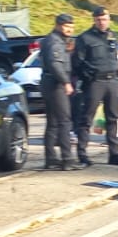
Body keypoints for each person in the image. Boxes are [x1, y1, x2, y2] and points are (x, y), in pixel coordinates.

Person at [72, 6, 118, 167]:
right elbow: (77, 62)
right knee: (86, 119)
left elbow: (116, 59)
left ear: (109, 20)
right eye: (98, 20)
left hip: (111, 81)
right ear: (94, 20)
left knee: (113, 118)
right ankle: (82, 155)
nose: (102, 22)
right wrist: (88, 76)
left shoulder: (112, 36)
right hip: (94, 83)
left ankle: (114, 154)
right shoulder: (85, 38)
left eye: (104, 19)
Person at [39, 12, 78, 169]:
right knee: (64, 121)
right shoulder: (54, 42)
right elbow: (55, 64)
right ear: (58, 25)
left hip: (49, 82)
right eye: (66, 26)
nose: (69, 29)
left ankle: (51, 159)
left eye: (71, 26)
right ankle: (67, 159)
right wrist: (66, 82)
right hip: (55, 83)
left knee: (53, 122)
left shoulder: (57, 40)